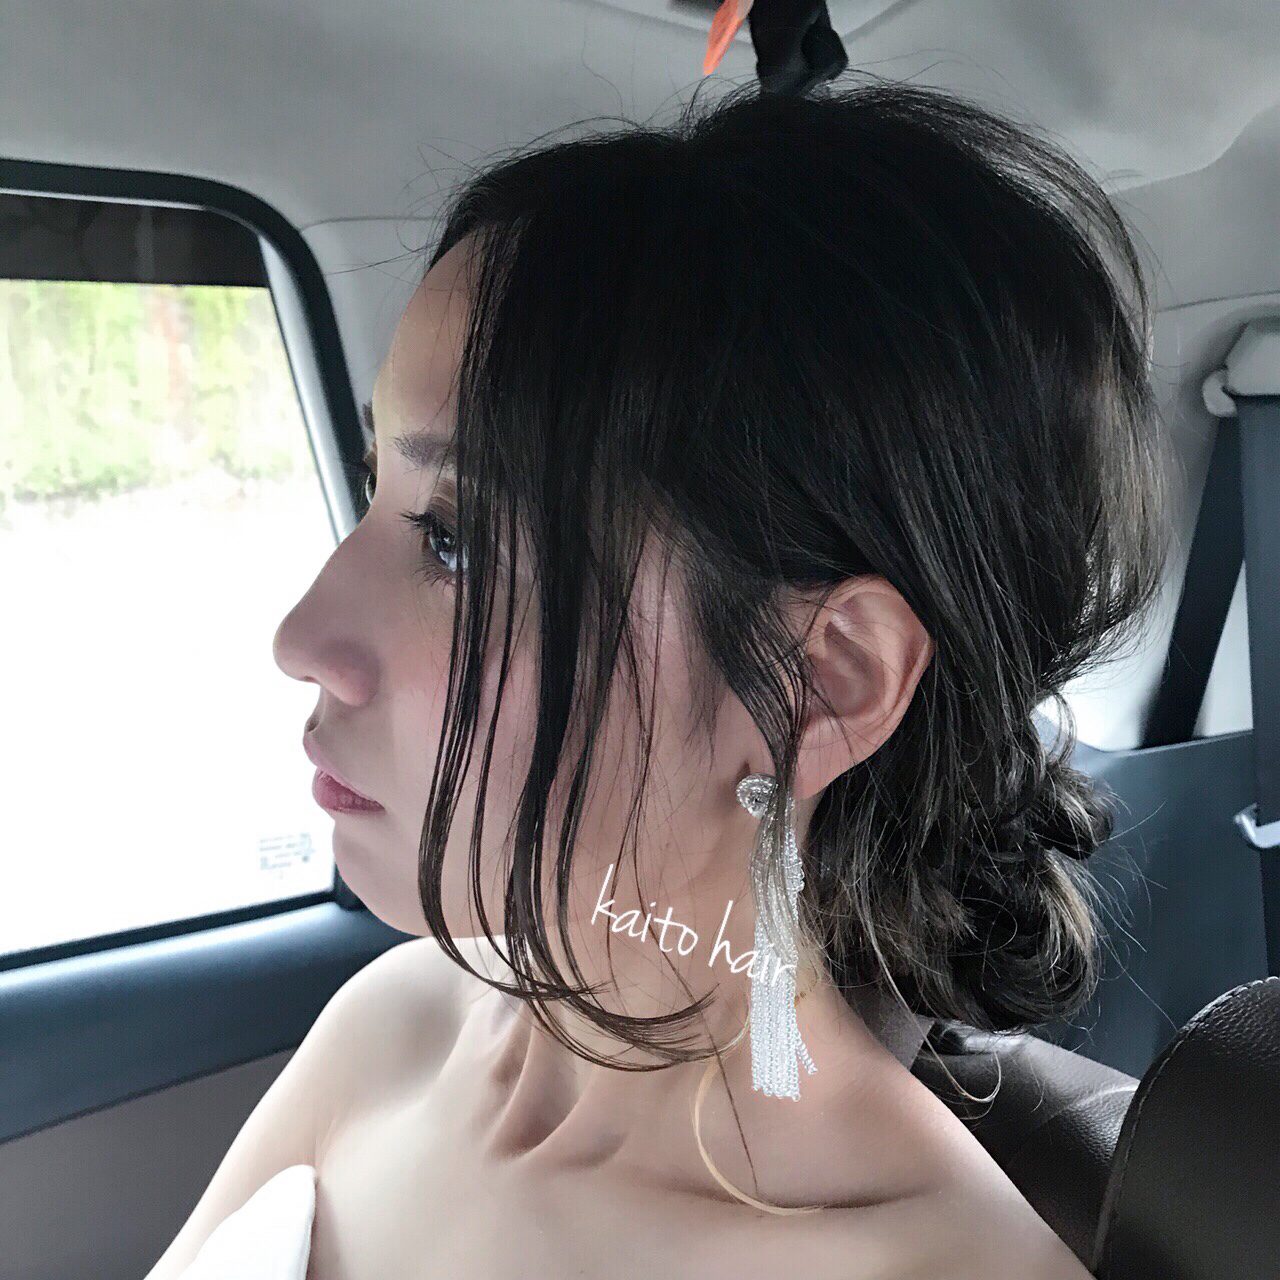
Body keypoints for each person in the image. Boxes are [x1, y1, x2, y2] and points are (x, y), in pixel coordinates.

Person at [146, 74, 1171, 1279]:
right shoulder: (388, 1027)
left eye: (455, 541)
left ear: (819, 681)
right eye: (379, 486)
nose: (301, 633)